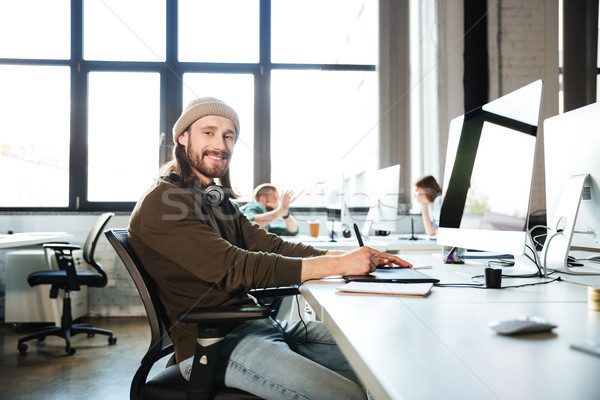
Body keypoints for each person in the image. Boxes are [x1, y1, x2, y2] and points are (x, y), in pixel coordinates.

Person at [128, 97, 412, 400]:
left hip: (256, 325)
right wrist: (339, 266)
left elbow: (269, 245)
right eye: (208, 133)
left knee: (381, 353)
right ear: (183, 138)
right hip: (215, 342)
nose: (221, 145)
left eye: (228, 136)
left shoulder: (215, 197)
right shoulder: (163, 202)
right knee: (344, 395)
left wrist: (347, 258)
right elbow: (234, 267)